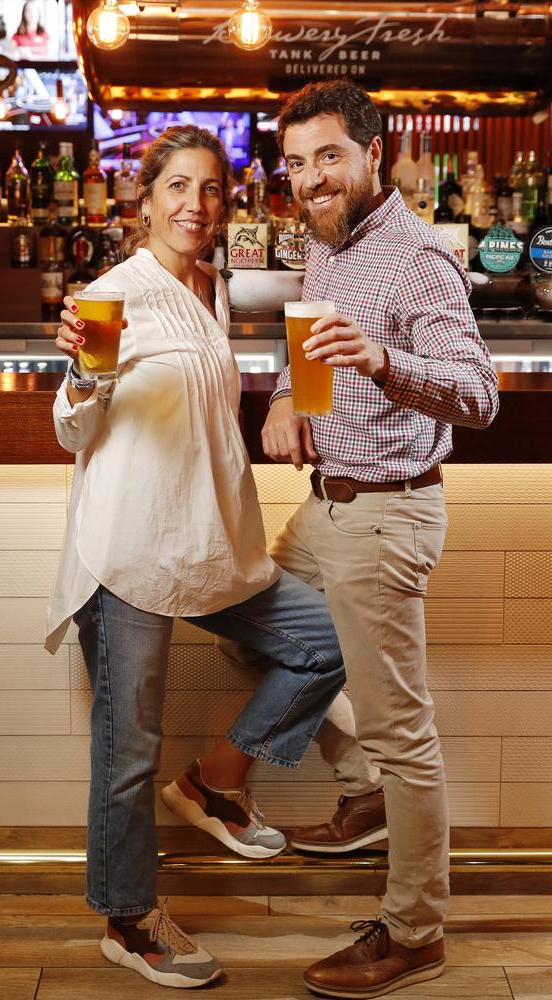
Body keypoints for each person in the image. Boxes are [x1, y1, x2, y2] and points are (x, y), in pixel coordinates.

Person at [46, 124, 347, 990]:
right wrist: (80, 377)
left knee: (325, 641)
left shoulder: (213, 288)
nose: (197, 205)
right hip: (131, 548)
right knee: (126, 749)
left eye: (211, 189)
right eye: (178, 187)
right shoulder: (113, 295)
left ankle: (216, 781)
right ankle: (129, 920)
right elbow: (72, 429)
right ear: (146, 201)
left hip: (210, 542)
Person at [257, 80, 500, 997]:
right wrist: (289, 398)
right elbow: (308, 357)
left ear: (370, 154)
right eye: (296, 163)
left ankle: (414, 932)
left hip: (390, 510)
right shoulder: (330, 247)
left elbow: (479, 397)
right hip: (327, 505)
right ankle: (363, 791)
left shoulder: (416, 259)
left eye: (327, 157)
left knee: (405, 732)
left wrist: (386, 362)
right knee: (252, 614)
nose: (311, 178)